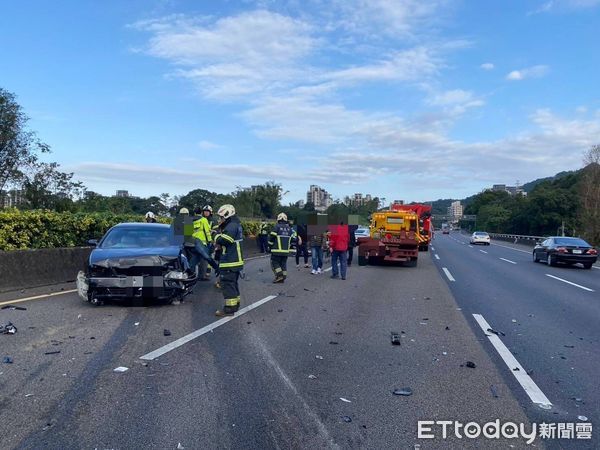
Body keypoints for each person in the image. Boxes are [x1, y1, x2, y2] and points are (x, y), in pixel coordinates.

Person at [214, 204, 244, 317]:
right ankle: (235, 305)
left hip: (230, 261)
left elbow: (226, 240)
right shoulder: (236, 224)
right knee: (233, 284)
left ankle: (229, 309)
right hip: (235, 261)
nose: (220, 219)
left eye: (221, 217)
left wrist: (216, 235)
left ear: (227, 216)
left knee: (227, 285)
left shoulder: (231, 226)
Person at [190, 206, 218, 281]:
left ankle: (191, 276)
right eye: (204, 211)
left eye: (207, 211)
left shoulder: (189, 220)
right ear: (201, 212)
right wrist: (210, 241)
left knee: (194, 260)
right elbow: (207, 232)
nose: (206, 212)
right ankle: (217, 269)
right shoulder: (203, 220)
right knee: (207, 257)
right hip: (202, 243)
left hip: (192, 243)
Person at [268, 212, 296, 283]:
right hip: (286, 251)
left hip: (276, 250)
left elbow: (271, 238)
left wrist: (269, 246)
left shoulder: (276, 227)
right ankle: (284, 276)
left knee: (274, 263)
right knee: (283, 263)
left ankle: (279, 275)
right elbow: (293, 239)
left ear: (278, 219)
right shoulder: (290, 229)